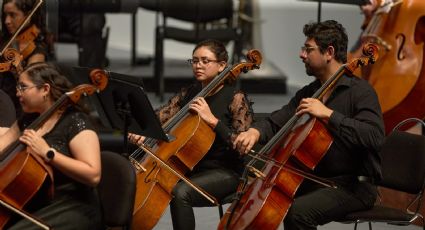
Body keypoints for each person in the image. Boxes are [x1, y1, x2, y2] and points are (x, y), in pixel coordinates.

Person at [233, 20, 385, 229]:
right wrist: (255, 132)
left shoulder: (361, 92)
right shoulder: (310, 91)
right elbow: (278, 119)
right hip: (318, 178)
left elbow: (374, 137)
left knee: (297, 212)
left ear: (329, 52)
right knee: (267, 197)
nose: (301, 54)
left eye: (308, 49)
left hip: (354, 185)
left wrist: (329, 114)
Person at [128, 39, 254, 230]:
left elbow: (241, 146)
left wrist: (212, 121)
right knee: (129, 175)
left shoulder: (235, 98)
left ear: (221, 66)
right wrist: (142, 131)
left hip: (225, 171)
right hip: (189, 166)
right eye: (194, 61)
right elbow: (161, 116)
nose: (198, 66)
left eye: (205, 61)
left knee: (180, 192)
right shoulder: (191, 93)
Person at [0, 62, 102, 229]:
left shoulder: (75, 122)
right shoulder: (30, 119)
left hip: (70, 205)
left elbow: (93, 175)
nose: (18, 93)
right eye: (18, 87)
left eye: (23, 87)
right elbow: (3, 144)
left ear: (45, 89)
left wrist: (48, 152)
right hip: (35, 201)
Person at [0, 0, 52, 118]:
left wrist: (18, 71)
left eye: (12, 15)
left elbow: (32, 89)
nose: (7, 21)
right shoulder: (4, 41)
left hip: (16, 111)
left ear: (29, 15)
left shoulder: (37, 49)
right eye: (5, 15)